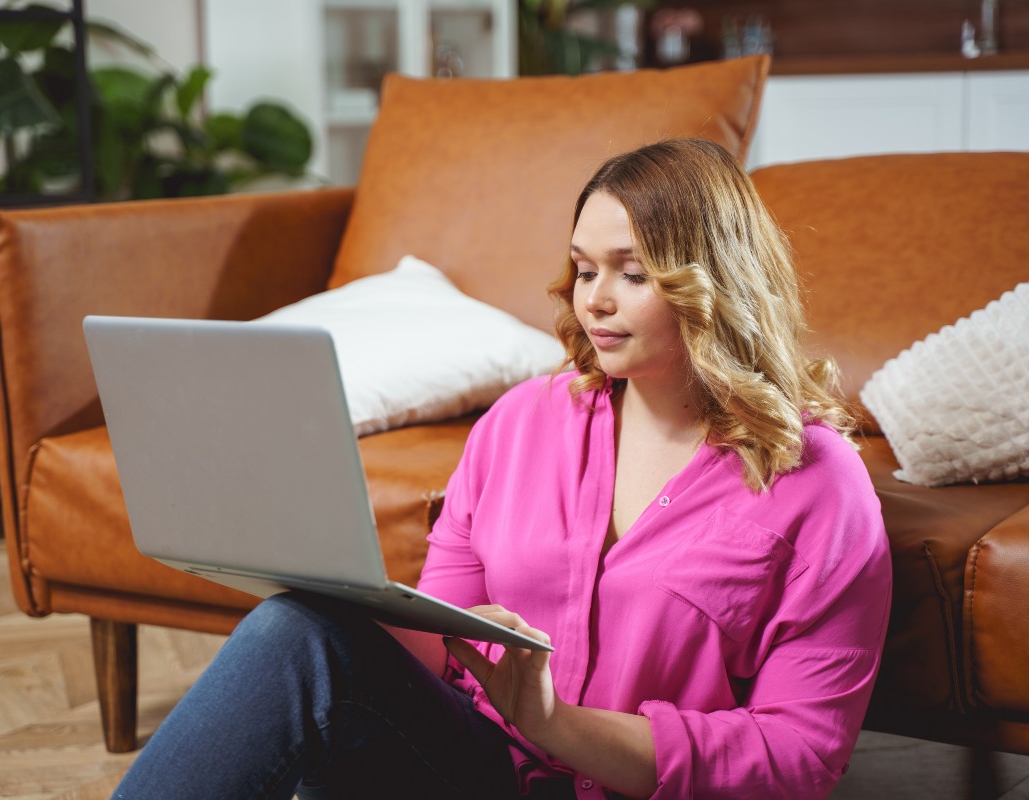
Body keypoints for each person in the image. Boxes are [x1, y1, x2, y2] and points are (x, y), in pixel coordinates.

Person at [112, 138, 891, 800]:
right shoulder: (522, 424)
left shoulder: (815, 481)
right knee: (298, 634)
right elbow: (438, 639)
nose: (597, 301)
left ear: (711, 282)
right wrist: (337, 600)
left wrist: (560, 726)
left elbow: (800, 758)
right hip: (483, 771)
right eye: (585, 270)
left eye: (633, 272)